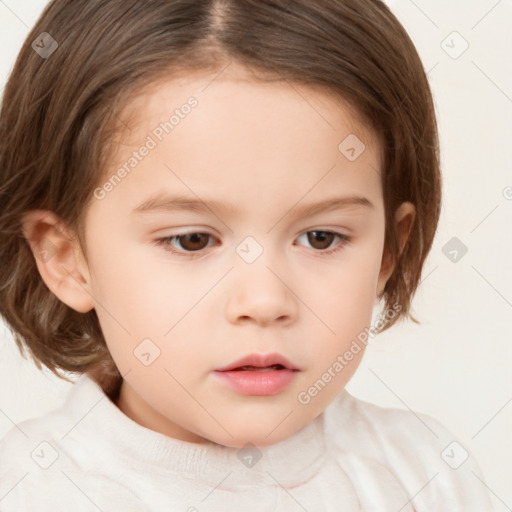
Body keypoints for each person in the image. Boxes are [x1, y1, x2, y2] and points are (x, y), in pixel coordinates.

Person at [0, 0, 495, 510]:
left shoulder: (429, 476)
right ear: (66, 258)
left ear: (389, 250)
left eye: (321, 237)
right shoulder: (31, 492)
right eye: (192, 240)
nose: (263, 301)